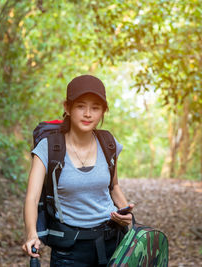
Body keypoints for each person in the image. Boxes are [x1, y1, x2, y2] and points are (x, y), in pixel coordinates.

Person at [22, 74, 134, 266]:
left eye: (95, 108)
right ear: (68, 107)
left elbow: (114, 187)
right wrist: (32, 234)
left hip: (111, 244)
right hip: (69, 251)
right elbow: (32, 197)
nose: (88, 114)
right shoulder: (48, 148)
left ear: (103, 112)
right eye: (81, 106)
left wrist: (128, 219)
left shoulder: (109, 144)